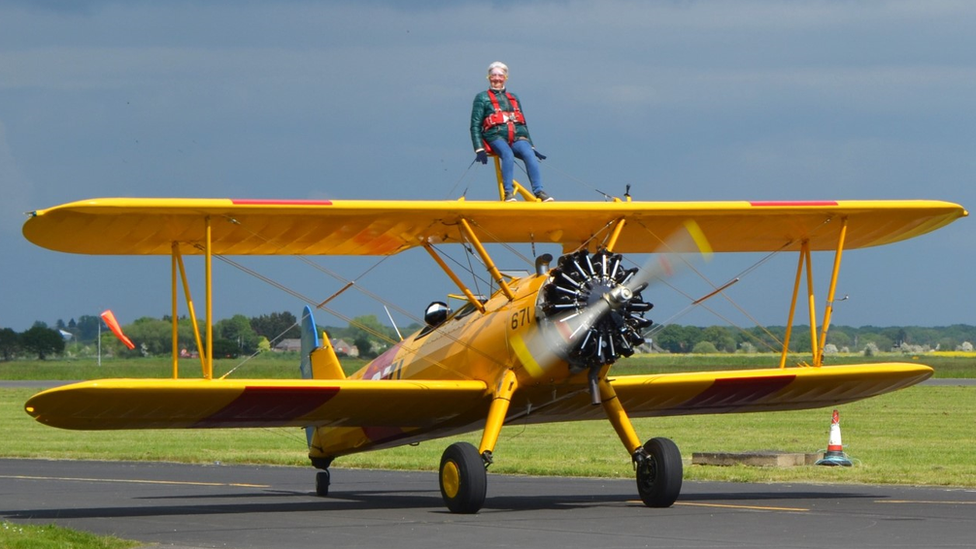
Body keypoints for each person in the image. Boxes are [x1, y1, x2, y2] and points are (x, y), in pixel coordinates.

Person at [470, 61, 553, 202]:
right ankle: (508, 192)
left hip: (516, 136)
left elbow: (522, 123)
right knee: (507, 154)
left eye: (500, 75)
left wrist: (531, 145)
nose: (497, 78)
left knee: (529, 154)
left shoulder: (513, 97)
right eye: (493, 75)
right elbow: (475, 124)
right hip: (495, 135)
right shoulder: (482, 97)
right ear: (489, 77)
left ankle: (539, 191)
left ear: (505, 78)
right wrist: (479, 148)